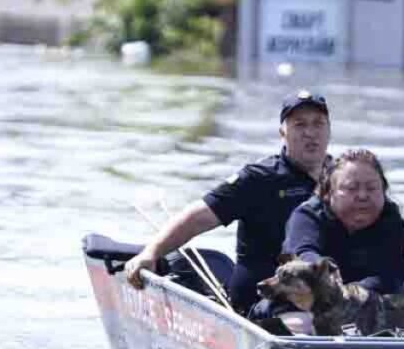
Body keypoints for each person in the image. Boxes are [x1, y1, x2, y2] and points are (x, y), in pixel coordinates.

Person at [123, 90, 331, 313]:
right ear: (283, 132)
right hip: (260, 303)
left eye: (318, 124)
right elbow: (198, 218)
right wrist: (151, 253)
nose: (310, 133)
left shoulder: (346, 179)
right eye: (300, 125)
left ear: (329, 130)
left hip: (322, 301)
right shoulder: (258, 178)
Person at [250, 149, 404, 325]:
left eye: (372, 188)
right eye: (351, 188)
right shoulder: (307, 216)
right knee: (301, 323)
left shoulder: (391, 220)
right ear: (328, 193)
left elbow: (394, 274)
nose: (363, 196)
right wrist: (323, 272)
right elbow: (302, 252)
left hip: (367, 302)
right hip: (300, 301)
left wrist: (350, 294)